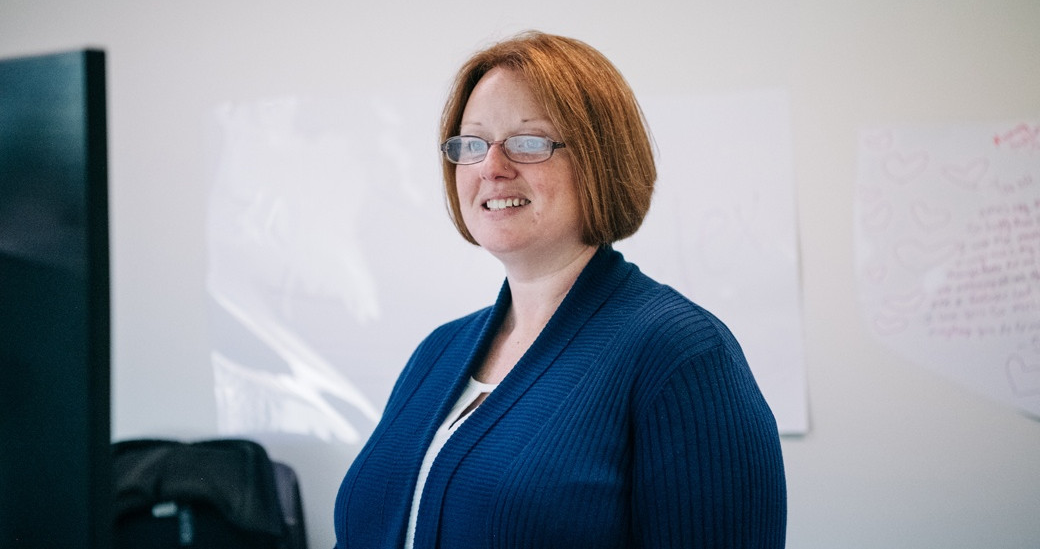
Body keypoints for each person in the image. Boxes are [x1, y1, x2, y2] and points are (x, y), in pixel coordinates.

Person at [333, 31, 787, 548]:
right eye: (472, 144)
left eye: (529, 142)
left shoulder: (682, 354)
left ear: (601, 161)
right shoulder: (437, 352)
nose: (491, 167)